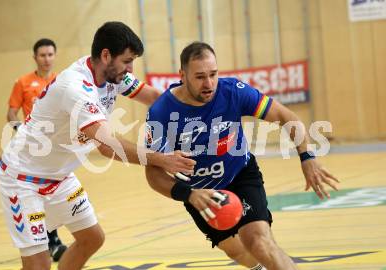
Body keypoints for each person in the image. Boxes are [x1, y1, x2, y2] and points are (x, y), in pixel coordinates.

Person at [0, 22, 195, 270]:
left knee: (92, 239)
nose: (130, 68)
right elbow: (107, 146)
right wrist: (162, 159)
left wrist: (194, 103)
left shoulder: (112, 75)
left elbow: (156, 99)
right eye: (127, 61)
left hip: (59, 177)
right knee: (39, 264)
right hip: (24, 179)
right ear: (105, 55)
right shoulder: (76, 88)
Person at [144, 42, 340, 270]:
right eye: (199, 77)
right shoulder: (161, 112)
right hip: (200, 192)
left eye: (213, 74)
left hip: (240, 175)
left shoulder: (232, 91)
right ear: (182, 75)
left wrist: (307, 157)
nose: (208, 84)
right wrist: (189, 194)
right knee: (236, 250)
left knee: (259, 242)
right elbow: (152, 173)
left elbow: (285, 115)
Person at [6, 38, 67, 262]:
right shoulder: (22, 82)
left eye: (50, 54)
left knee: (56, 192)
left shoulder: (62, 81)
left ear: (55, 56)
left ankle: (50, 240)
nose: (47, 59)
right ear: (35, 57)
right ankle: (51, 242)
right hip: (33, 149)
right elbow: (12, 113)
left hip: (57, 148)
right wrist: (20, 131)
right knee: (38, 193)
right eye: (42, 55)